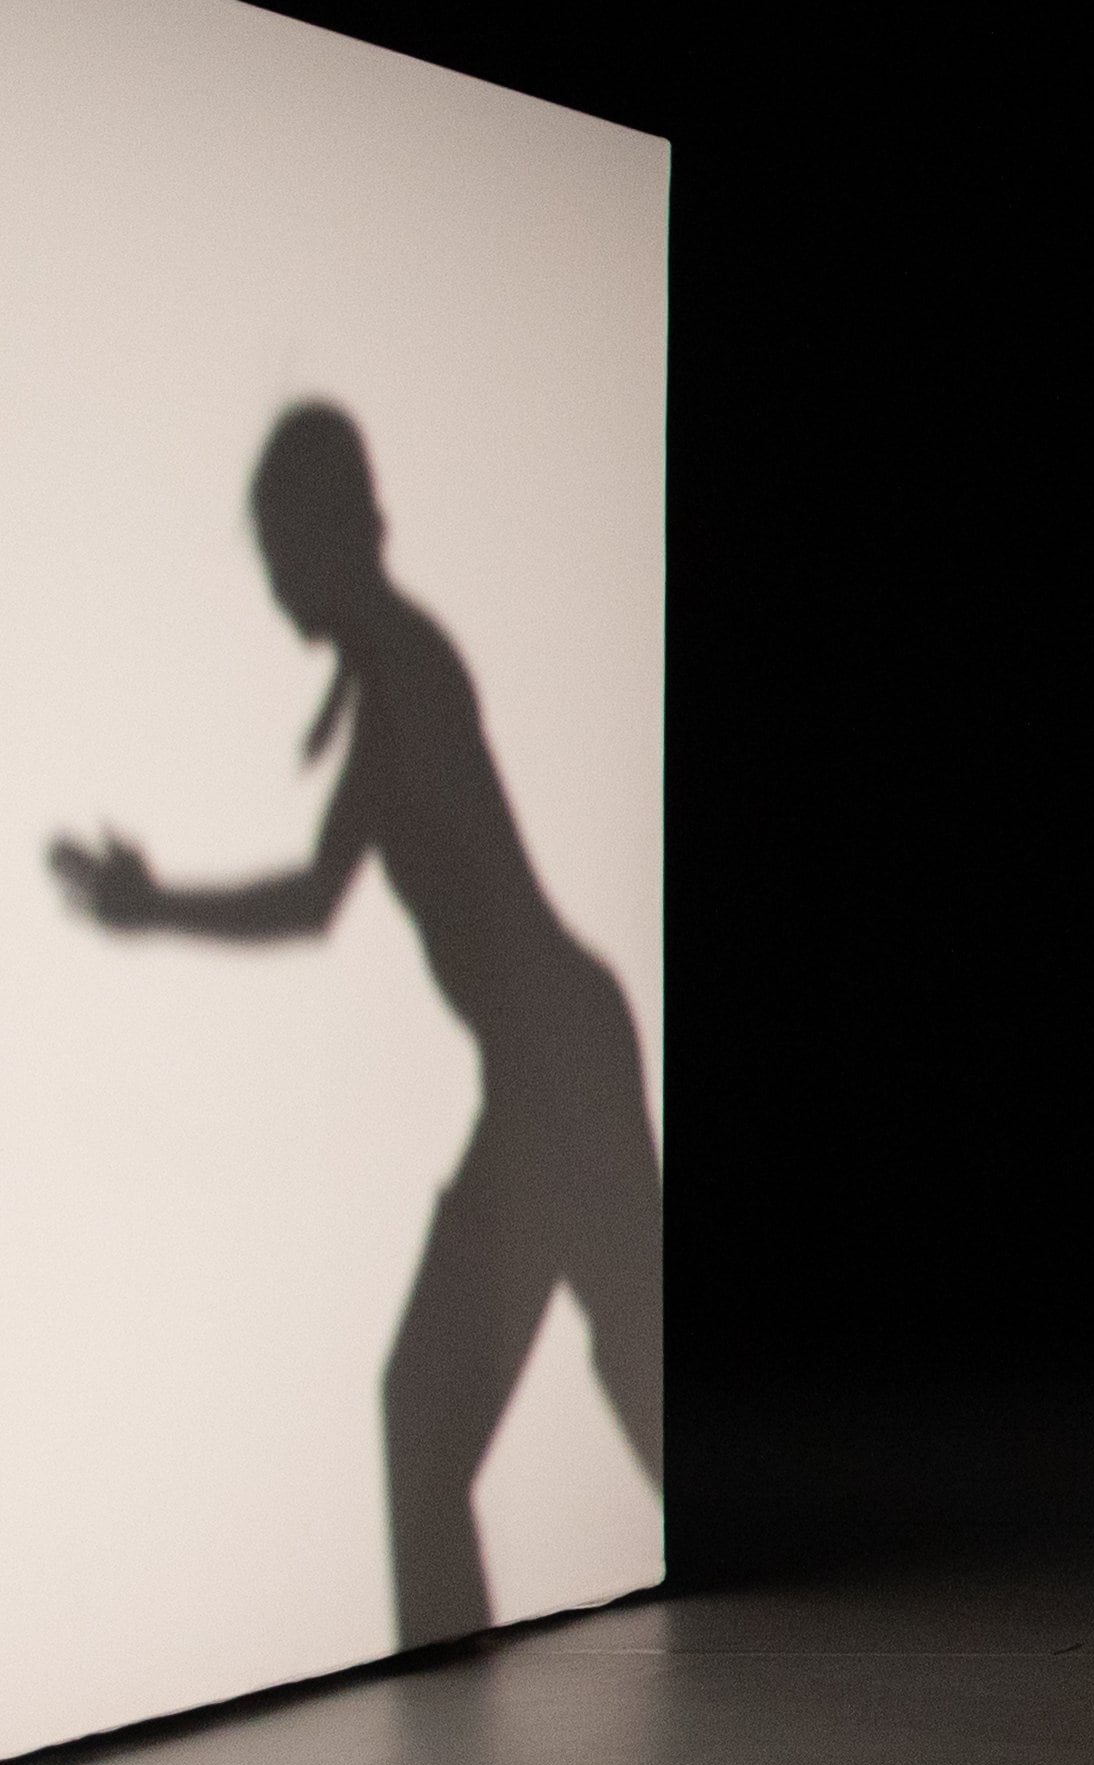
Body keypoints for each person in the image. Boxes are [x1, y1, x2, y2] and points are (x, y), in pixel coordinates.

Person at [50, 401, 662, 1648]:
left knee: (480, 1407)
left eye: (282, 548)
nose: (276, 581)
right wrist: (155, 903)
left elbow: (321, 892)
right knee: (558, 1391)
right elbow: (324, 895)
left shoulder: (403, 681)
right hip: (552, 1069)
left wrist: (152, 904)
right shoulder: (390, 681)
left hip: (558, 1074)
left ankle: (452, 1758)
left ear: (334, 534)